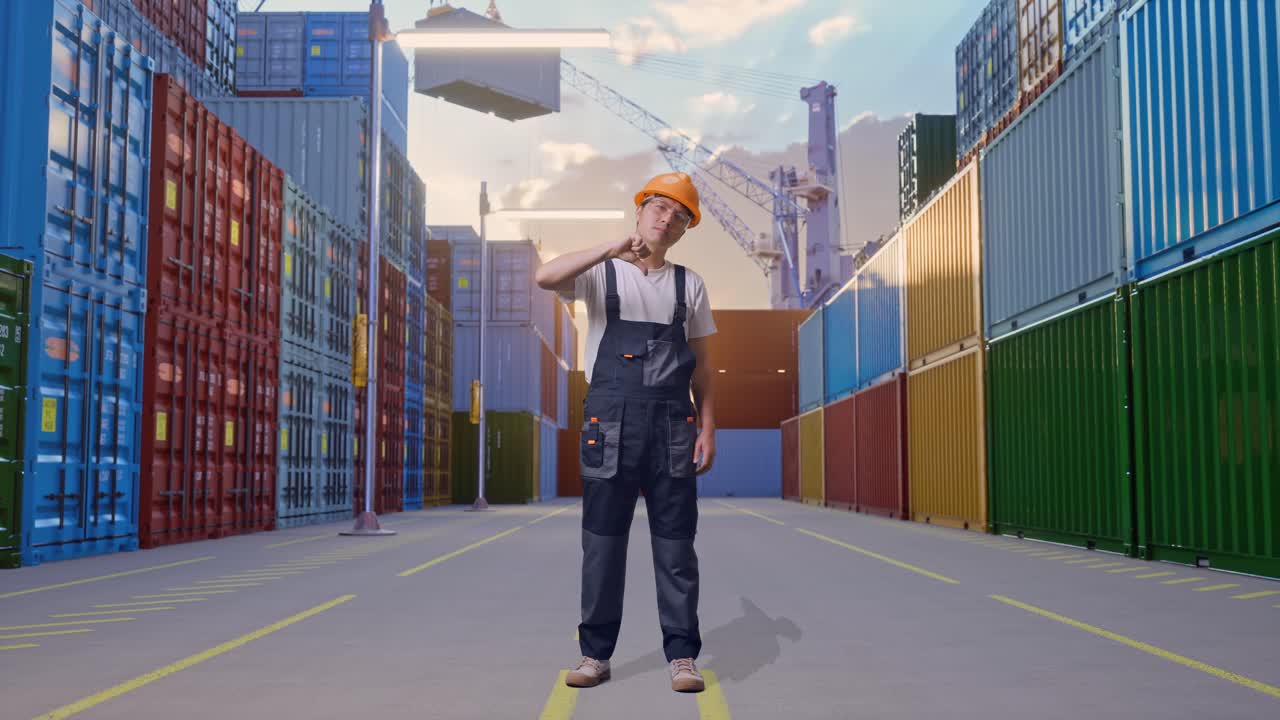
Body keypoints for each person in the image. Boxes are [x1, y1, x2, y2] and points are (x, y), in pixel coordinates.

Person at [534, 172, 717, 693]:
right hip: (609, 421)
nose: (667, 218)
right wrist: (610, 247)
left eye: (679, 215)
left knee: (676, 546)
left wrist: (707, 427)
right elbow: (546, 277)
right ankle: (595, 655)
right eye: (659, 207)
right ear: (638, 213)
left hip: (673, 426)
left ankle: (682, 657)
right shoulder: (601, 275)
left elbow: (704, 367)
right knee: (602, 545)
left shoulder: (691, 285)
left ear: (684, 229)